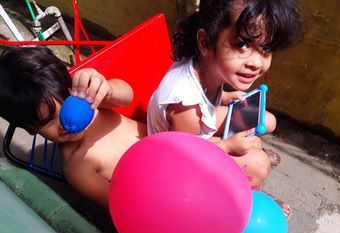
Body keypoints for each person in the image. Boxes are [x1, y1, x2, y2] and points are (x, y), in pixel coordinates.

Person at [147, 0, 302, 217]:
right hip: (174, 160)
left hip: (196, 135)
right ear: (205, 43)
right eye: (242, 45)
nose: (256, 62)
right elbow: (185, 161)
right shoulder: (187, 109)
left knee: (262, 122)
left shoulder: (205, 65)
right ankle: (236, 211)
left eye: (265, 49)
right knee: (258, 163)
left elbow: (204, 97)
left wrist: (226, 97)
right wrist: (227, 146)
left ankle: (246, 175)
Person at [0, 46, 147, 209]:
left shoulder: (93, 103)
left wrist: (109, 90)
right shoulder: (78, 168)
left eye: (67, 103)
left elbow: (128, 96)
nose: (64, 122)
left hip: (170, 146)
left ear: (73, 89)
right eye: (48, 121)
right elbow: (121, 207)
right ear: (31, 129)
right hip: (152, 193)